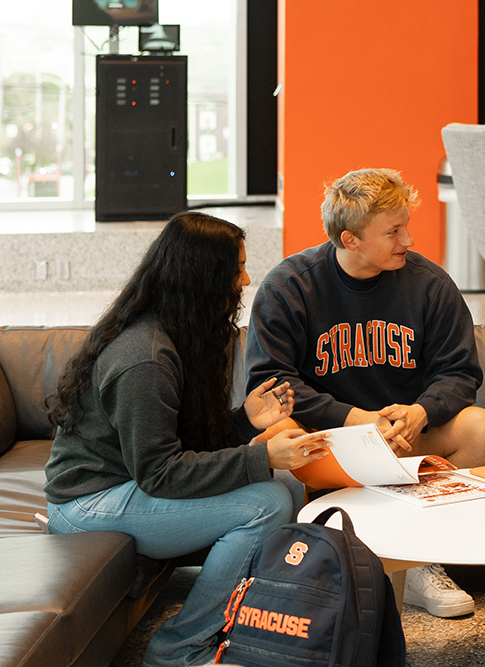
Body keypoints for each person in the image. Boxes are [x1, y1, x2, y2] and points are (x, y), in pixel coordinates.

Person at [44, 212, 331, 667]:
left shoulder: (180, 334)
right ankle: (178, 648)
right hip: (86, 505)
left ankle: (245, 621)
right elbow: (160, 473)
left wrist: (245, 423)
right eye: (237, 267)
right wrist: (262, 458)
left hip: (130, 484)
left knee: (291, 486)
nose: (247, 278)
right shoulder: (145, 359)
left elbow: (184, 443)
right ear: (205, 277)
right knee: (268, 501)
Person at [245, 168, 485, 618]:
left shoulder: (430, 284)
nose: (409, 240)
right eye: (394, 231)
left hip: (404, 436)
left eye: (406, 226)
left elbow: (460, 372)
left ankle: (420, 559)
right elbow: (271, 383)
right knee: (275, 431)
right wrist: (355, 419)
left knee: (483, 426)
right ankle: (307, 566)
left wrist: (420, 412)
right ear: (350, 240)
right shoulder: (289, 286)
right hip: (327, 442)